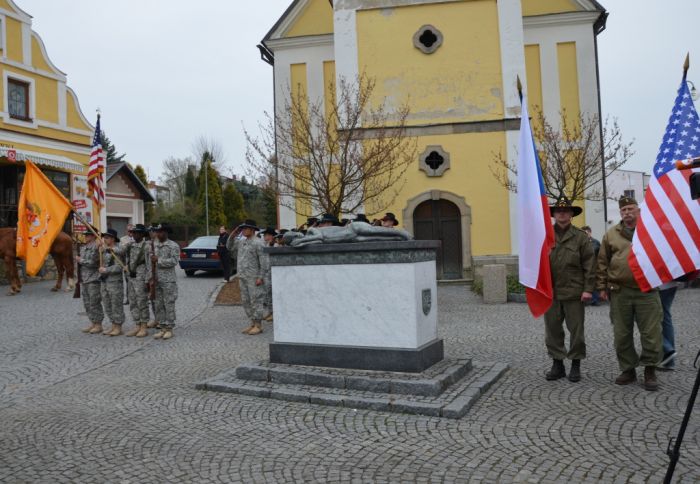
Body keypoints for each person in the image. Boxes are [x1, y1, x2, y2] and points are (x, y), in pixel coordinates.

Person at [596, 196, 663, 391]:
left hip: (647, 291)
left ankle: (650, 369)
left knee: (651, 334)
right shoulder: (611, 235)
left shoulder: (650, 231)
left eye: (631, 209)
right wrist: (601, 287)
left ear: (638, 210)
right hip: (620, 292)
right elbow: (602, 262)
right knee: (621, 335)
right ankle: (628, 369)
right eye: (624, 210)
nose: (627, 213)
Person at [543, 198, 595, 382]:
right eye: (558, 211)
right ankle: (558, 364)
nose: (562, 214)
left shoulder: (580, 237)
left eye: (566, 211)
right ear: (554, 214)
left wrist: (588, 289)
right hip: (551, 292)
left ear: (572, 214)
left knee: (576, 330)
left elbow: (589, 264)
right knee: (553, 330)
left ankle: (575, 364)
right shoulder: (545, 235)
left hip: (574, 291)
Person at [227, 219, 266, 335]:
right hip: (243, 276)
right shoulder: (242, 242)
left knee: (255, 300)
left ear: (252, 230)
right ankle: (253, 323)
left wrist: (261, 277)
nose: (243, 231)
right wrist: (233, 234)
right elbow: (229, 247)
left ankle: (258, 325)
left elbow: (264, 262)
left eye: (245, 228)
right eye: (242, 229)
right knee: (246, 301)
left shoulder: (259, 243)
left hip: (254, 277)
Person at [147, 223, 180, 340]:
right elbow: (150, 263)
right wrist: (150, 278)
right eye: (157, 232)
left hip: (168, 281)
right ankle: (162, 327)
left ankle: (169, 328)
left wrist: (159, 260)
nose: (158, 234)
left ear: (166, 232)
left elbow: (175, 261)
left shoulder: (173, 246)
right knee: (158, 304)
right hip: (157, 280)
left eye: (161, 232)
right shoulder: (154, 246)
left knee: (169, 303)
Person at [124, 224, 151, 338]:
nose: (134, 234)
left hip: (141, 278)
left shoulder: (146, 247)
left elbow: (149, 265)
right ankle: (137, 324)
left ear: (142, 234)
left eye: (137, 233)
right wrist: (104, 245)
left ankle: (144, 326)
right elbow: (118, 251)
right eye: (133, 232)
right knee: (133, 302)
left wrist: (148, 281)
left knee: (142, 302)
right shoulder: (130, 245)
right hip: (131, 278)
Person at [76, 227, 104, 334]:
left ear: (93, 236)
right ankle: (92, 322)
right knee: (87, 303)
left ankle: (98, 324)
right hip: (84, 278)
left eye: (88, 235)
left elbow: (92, 263)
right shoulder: (83, 247)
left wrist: (80, 260)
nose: (85, 237)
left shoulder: (97, 247)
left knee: (94, 302)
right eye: (85, 235)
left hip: (93, 278)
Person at [99, 228, 126, 336]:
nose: (105, 239)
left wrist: (106, 270)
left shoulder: (117, 250)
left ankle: (118, 326)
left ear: (113, 239)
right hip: (105, 281)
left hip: (115, 282)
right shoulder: (104, 250)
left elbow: (120, 267)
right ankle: (113, 325)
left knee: (116, 304)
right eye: (104, 237)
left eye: (107, 237)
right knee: (107, 304)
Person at [657, 281, 679, 371]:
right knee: (666, 317)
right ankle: (669, 361)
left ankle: (667, 349)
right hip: (672, 283)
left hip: (658, 284)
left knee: (644, 318)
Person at [581, 225, 601, 305]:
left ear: (590, 233)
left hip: (594, 265)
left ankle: (594, 300)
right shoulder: (580, 242)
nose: (585, 235)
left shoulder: (595, 242)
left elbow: (596, 251)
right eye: (584, 233)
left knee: (594, 283)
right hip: (583, 266)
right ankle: (585, 300)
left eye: (587, 233)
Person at [261, 228, 276, 322]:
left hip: (272, 272)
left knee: (271, 293)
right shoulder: (266, 244)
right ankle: (270, 312)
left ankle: (274, 313)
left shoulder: (275, 244)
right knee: (267, 293)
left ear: (271, 235)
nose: (264, 236)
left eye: (266, 235)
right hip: (266, 272)